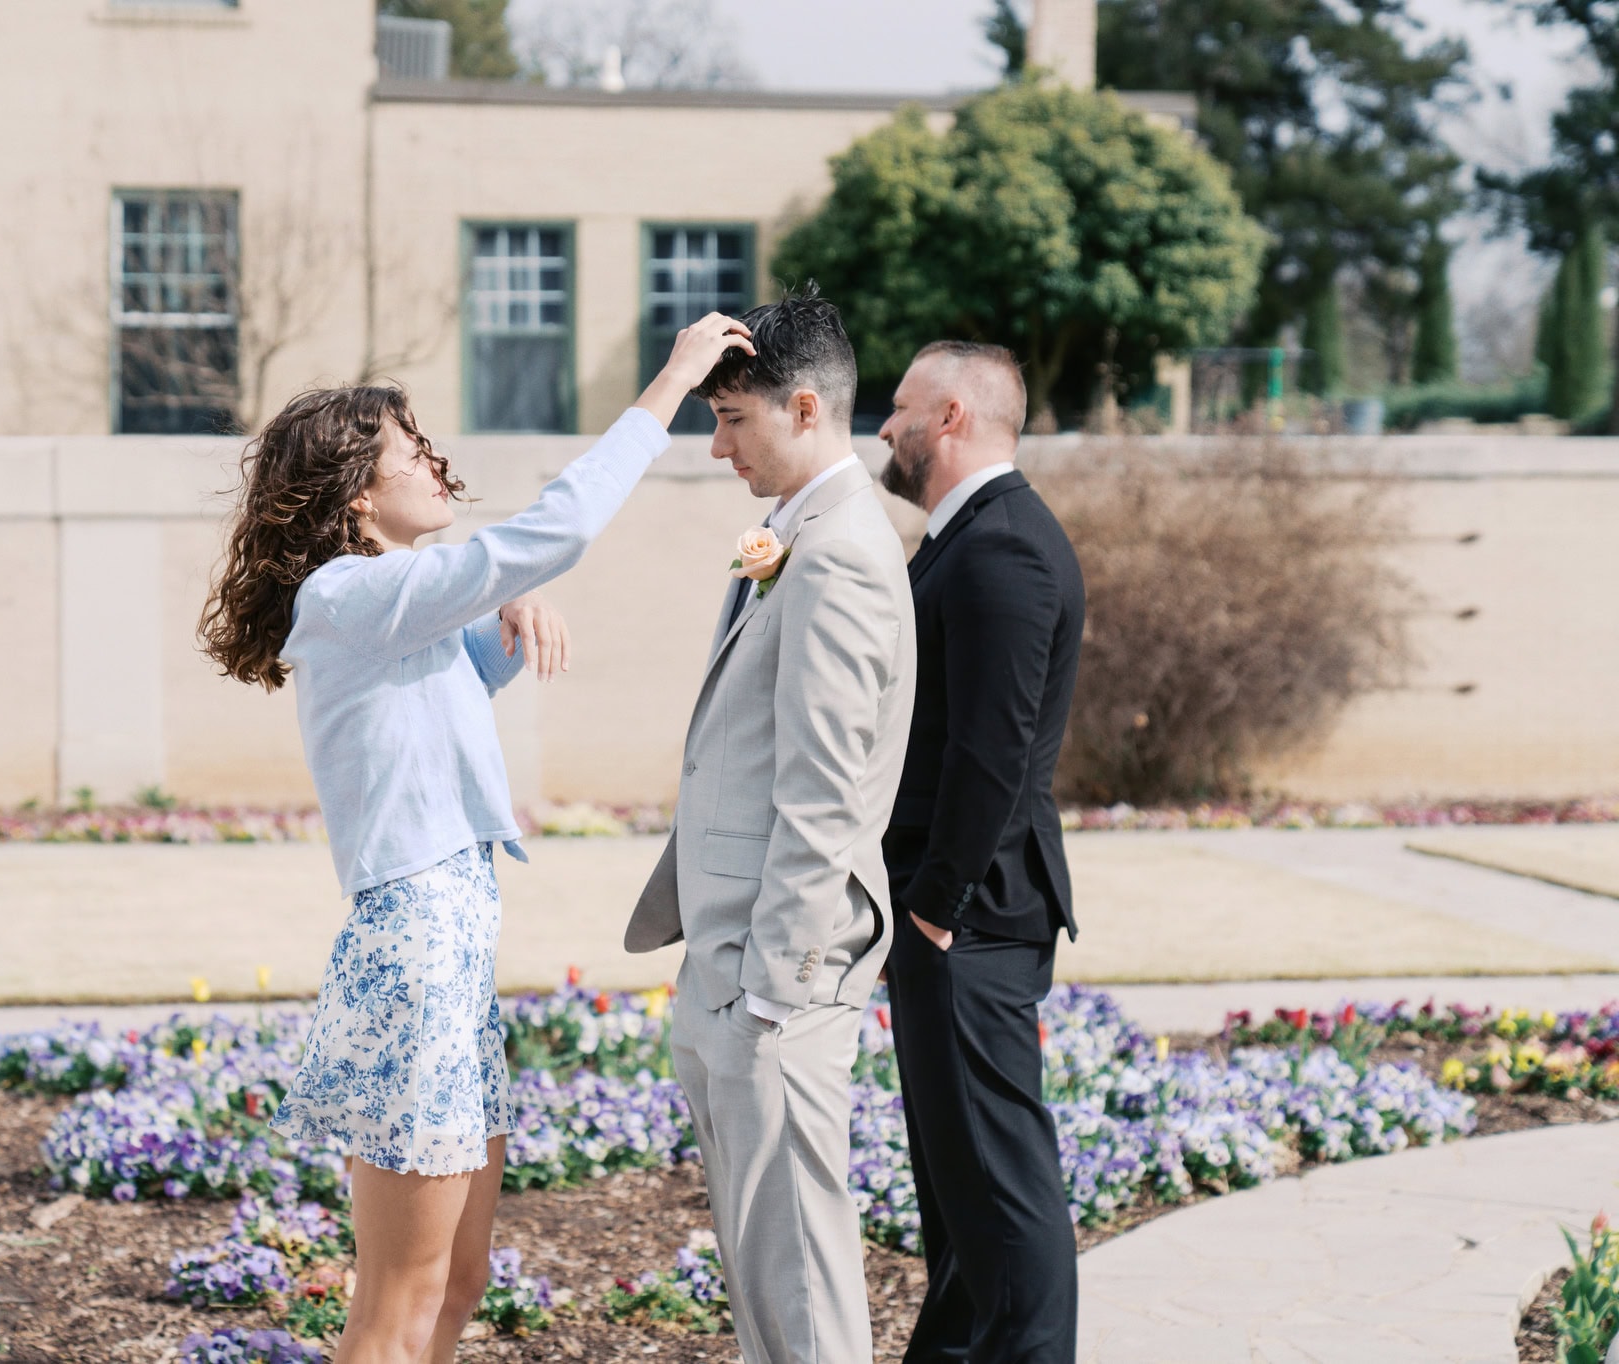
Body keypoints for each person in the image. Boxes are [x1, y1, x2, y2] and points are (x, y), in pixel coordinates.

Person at [199, 312, 752, 1364]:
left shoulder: (390, 611)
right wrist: (672, 381)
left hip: (451, 949)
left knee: (457, 1281)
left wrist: (508, 605)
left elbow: (454, 664)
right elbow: (544, 532)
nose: (434, 463)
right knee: (396, 1301)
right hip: (413, 948)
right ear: (357, 493)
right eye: (411, 452)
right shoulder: (344, 593)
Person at [624, 287, 916, 1364]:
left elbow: (824, 793)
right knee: (762, 1275)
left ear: (803, 407)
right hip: (730, 955)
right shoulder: (794, 533)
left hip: (774, 975)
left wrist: (766, 989)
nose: (715, 447)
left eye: (730, 419)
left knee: (796, 1275)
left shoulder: (838, 550)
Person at [876, 341, 1086, 1364]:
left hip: (970, 913)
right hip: (952, 913)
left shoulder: (1002, 545)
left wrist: (931, 903)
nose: (883, 424)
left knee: (1000, 1193)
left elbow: (992, 748)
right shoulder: (963, 538)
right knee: (958, 1196)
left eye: (898, 406)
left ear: (949, 416)